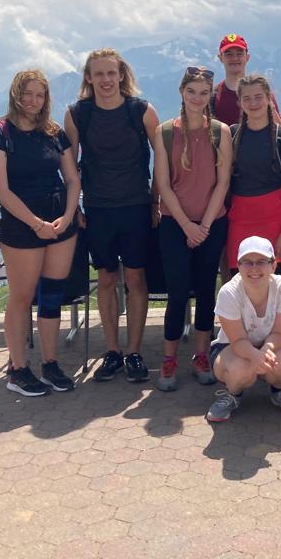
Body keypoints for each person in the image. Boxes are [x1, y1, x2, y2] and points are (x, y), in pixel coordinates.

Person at [0, 70, 80, 397]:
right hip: (21, 227)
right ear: (15, 94)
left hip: (60, 224)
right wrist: (36, 223)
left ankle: (50, 364)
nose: (33, 101)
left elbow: (72, 179)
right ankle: (18, 369)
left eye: (39, 95)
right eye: (27, 93)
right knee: (22, 298)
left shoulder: (54, 132)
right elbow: (1, 190)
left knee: (52, 295)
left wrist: (68, 216)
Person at [65, 48, 160, 383]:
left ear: (121, 75)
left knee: (135, 279)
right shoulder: (77, 114)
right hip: (98, 209)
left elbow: (162, 159)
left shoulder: (142, 111)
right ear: (89, 78)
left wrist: (155, 201)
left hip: (136, 207)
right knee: (106, 279)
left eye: (111, 73)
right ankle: (112, 351)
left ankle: (134, 351)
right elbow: (69, 164)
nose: (105, 80)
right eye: (99, 74)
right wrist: (74, 206)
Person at [153, 66, 232, 391]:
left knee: (205, 290)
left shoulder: (221, 132)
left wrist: (204, 225)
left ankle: (201, 355)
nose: (197, 98)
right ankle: (169, 358)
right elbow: (163, 184)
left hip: (212, 222)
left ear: (210, 95)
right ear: (182, 93)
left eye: (203, 93)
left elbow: (223, 182)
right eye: (191, 92)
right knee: (176, 293)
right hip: (175, 224)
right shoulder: (164, 132)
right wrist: (188, 225)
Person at [205, 236, 281, 422]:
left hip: (273, 342)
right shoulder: (228, 293)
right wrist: (255, 356)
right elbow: (237, 341)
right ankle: (232, 394)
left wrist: (265, 351)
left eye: (261, 261)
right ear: (238, 265)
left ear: (273, 265)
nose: (254, 268)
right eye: (247, 262)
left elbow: (279, 333)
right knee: (241, 369)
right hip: (233, 347)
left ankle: (279, 392)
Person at [226, 74, 281, 271]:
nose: (253, 103)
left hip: (276, 219)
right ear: (239, 102)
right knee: (239, 278)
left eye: (258, 97)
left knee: (273, 279)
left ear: (269, 98)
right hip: (240, 217)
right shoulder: (231, 135)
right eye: (247, 98)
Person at [211, 33, 250, 126]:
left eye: (239, 54)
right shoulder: (212, 96)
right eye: (229, 54)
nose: (234, 58)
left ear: (247, 57)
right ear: (220, 58)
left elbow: (278, 130)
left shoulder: (260, 93)